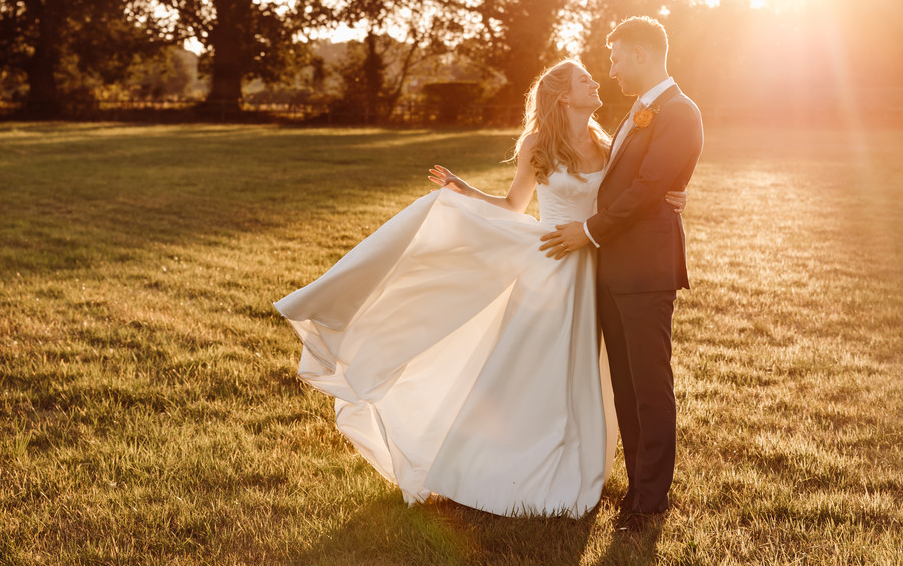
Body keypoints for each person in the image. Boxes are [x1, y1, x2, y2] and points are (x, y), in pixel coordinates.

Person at [273, 57, 685, 518]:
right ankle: (497, 467)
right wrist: (465, 191)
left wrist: (675, 193)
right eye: (585, 79)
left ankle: (574, 461)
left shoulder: (606, 142)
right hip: (549, 267)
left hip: (594, 269)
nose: (597, 82)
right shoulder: (538, 143)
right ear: (564, 95)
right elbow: (513, 204)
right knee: (533, 370)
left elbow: (634, 192)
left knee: (585, 374)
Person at [540, 16, 703, 530]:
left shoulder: (680, 112)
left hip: (646, 269)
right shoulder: (639, 111)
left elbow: (649, 187)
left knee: (649, 383)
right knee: (625, 385)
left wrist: (587, 231)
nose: (609, 69)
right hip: (614, 268)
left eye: (614, 59)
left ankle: (650, 500)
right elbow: (624, 179)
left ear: (638, 53)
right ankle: (636, 487)